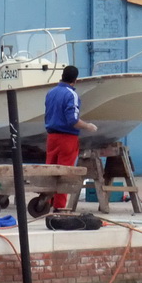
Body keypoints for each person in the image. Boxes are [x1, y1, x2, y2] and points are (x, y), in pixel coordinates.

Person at [44, 65, 97, 210]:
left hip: (51, 137)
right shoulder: (71, 95)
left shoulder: (50, 92)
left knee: (51, 171)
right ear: (75, 80)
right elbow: (72, 120)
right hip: (67, 138)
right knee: (65, 173)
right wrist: (88, 126)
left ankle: (46, 202)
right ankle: (59, 207)